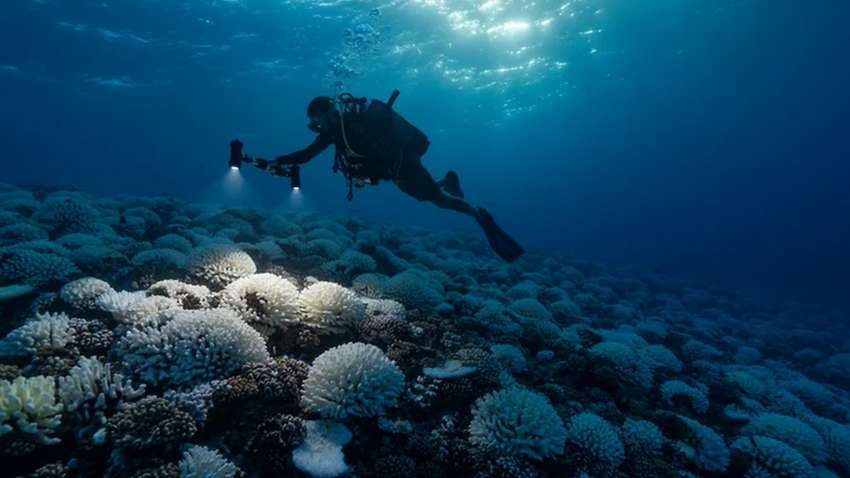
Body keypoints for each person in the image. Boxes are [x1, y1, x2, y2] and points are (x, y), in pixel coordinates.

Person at [272, 92, 524, 262]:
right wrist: (277, 160)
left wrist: (278, 160)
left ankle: (478, 214)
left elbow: (308, 155)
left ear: (326, 114)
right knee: (426, 195)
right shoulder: (336, 131)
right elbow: (307, 154)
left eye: (316, 121)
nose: (317, 127)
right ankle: (447, 180)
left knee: (438, 200)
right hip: (395, 172)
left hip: (404, 167)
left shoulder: (349, 126)